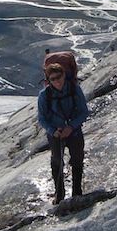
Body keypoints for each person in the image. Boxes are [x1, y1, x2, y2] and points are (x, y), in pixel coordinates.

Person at [38, 62, 89, 204]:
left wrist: (71, 127)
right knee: (57, 162)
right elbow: (42, 118)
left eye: (58, 77)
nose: (57, 81)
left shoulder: (74, 89)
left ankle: (77, 192)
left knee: (77, 159)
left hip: (73, 131)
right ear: (48, 80)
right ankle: (59, 194)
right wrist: (52, 131)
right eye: (53, 79)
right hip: (56, 134)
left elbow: (84, 112)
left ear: (64, 76)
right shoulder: (44, 96)